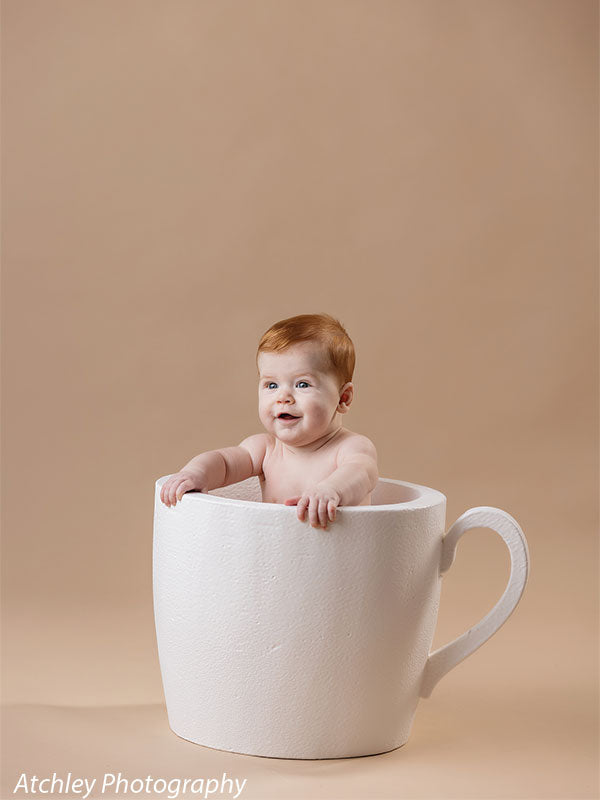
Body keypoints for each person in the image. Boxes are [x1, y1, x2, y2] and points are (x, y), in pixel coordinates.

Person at [160, 313, 378, 530]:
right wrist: (196, 473)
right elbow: (224, 463)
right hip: (274, 556)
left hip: (336, 560)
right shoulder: (265, 449)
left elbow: (362, 472)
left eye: (302, 384)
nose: (283, 397)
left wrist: (331, 490)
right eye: (271, 385)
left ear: (343, 398)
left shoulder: (350, 447)